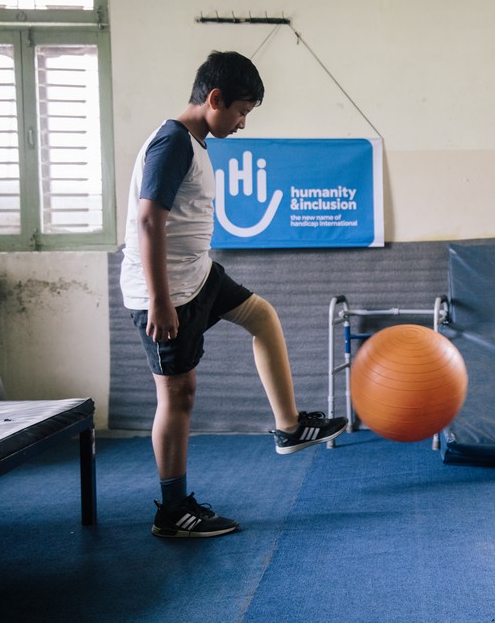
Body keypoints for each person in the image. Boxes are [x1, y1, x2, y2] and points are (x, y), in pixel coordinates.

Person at [120, 51, 347, 538]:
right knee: (179, 397)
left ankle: (289, 427)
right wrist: (160, 300)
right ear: (214, 98)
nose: (243, 123)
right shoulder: (172, 143)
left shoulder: (195, 143)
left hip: (197, 276)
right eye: (241, 111)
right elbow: (147, 220)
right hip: (167, 291)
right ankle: (173, 512)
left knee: (261, 315)